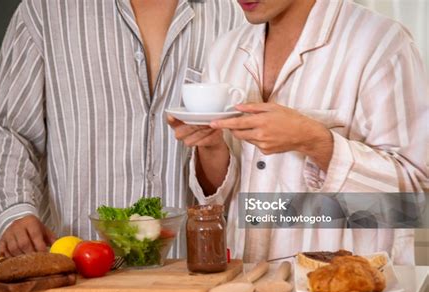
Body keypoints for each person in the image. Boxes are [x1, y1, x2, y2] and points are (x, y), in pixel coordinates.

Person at [168, 0, 428, 264]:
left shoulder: (381, 44)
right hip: (246, 288)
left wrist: (314, 142)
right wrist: (211, 147)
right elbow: (222, 200)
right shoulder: (225, 52)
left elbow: (411, 201)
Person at [0, 0, 244, 256]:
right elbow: (9, 130)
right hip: (78, 265)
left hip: (193, 272)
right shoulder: (46, 10)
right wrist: (14, 211)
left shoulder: (236, 13)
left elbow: (253, 163)